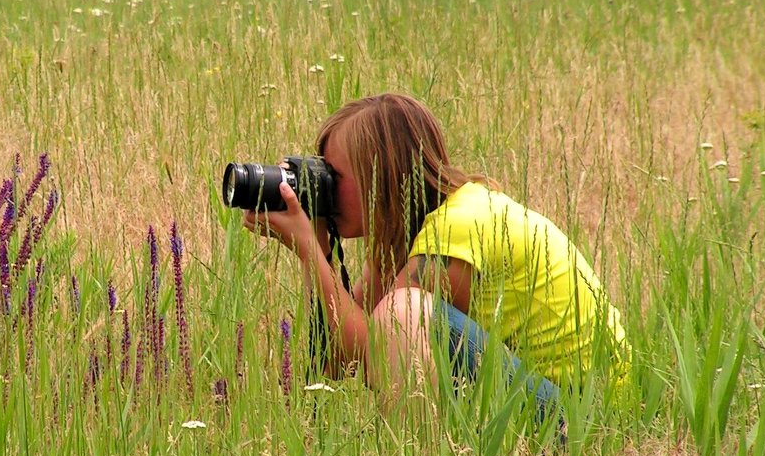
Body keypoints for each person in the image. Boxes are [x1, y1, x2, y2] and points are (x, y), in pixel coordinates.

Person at [243, 93, 629, 405]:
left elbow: (371, 354)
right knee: (399, 313)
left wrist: (309, 249)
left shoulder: (459, 228)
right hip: (554, 398)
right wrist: (322, 251)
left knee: (404, 312)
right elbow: (337, 362)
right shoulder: (414, 233)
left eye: (334, 176)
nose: (324, 187)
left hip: (582, 417)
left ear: (385, 177)